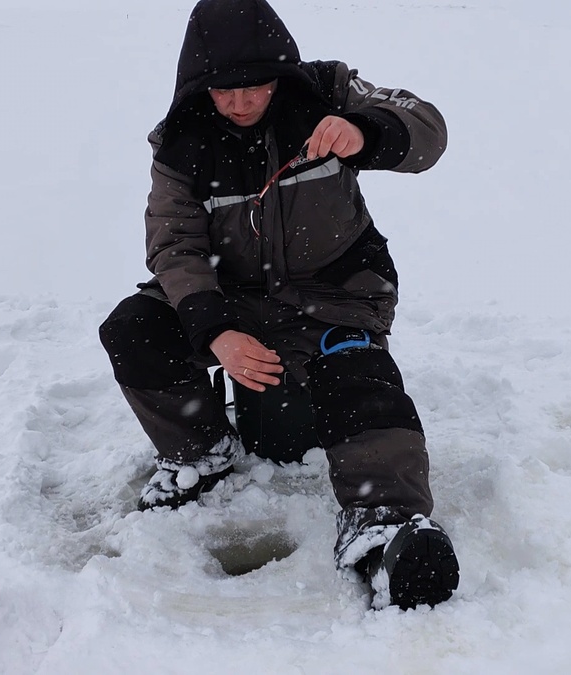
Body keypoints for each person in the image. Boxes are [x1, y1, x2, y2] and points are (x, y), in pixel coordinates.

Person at [98, 0, 459, 610]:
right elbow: (175, 247)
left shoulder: (329, 91)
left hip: (335, 294)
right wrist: (216, 333)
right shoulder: (181, 144)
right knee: (135, 330)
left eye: (255, 87)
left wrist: (366, 130)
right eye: (223, 91)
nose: (240, 103)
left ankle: (385, 526)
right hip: (228, 293)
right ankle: (200, 456)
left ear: (281, 74)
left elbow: (427, 129)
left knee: (361, 380)